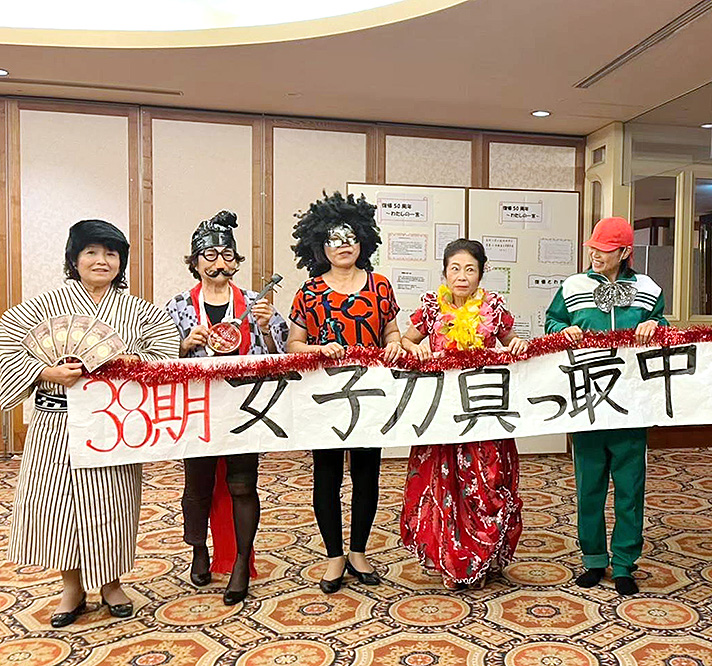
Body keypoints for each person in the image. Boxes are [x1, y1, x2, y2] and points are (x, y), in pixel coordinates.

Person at [0, 220, 179, 627]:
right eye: (91, 252)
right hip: (55, 423)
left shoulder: (140, 312)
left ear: (121, 262)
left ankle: (112, 584)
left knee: (113, 504)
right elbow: (6, 349)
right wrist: (45, 372)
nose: (102, 261)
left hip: (113, 425)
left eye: (111, 254)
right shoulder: (44, 306)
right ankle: (71, 587)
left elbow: (166, 355)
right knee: (56, 506)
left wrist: (138, 363)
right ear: (74, 259)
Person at [164, 210, 288, 606]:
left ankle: (240, 562)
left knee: (242, 484)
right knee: (197, 487)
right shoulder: (178, 306)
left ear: (236, 261)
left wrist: (267, 328)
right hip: (197, 408)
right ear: (195, 261)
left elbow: (282, 355)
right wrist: (184, 344)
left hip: (244, 408)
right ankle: (199, 549)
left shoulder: (254, 303)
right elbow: (158, 359)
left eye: (227, 255)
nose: (219, 262)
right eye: (210, 255)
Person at [545, 216, 667, 596]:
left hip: (632, 404)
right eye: (593, 249)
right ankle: (594, 559)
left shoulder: (648, 289)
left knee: (631, 488)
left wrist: (656, 326)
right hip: (587, 404)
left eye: (605, 250)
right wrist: (562, 330)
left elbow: (663, 328)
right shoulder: (572, 286)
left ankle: (625, 563)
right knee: (589, 486)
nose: (596, 255)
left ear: (625, 252)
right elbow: (551, 323)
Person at [287, 191, 403, 593]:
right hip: (326, 398)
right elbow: (294, 345)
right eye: (334, 239)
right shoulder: (309, 291)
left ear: (363, 241)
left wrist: (395, 344)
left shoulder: (380, 286)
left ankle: (358, 551)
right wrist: (318, 350)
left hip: (370, 395)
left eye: (351, 237)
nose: (343, 245)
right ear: (320, 246)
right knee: (327, 476)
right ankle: (334, 555)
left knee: (367, 475)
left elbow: (391, 332)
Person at [399, 238, 528, 590]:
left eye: (470, 269)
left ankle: (483, 560)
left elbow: (511, 342)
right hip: (443, 414)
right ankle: (452, 563)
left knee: (485, 484)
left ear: (481, 274)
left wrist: (516, 344)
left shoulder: (493, 308)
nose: (461, 276)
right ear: (444, 272)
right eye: (454, 268)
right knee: (443, 485)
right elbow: (405, 341)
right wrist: (415, 349)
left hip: (483, 412)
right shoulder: (431, 308)